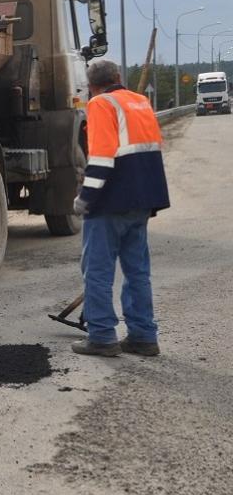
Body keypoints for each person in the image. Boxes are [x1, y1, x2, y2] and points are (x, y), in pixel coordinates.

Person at [71, 59, 170, 357]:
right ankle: (143, 336)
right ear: (118, 77)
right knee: (137, 271)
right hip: (143, 200)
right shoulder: (141, 102)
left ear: (92, 86)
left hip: (110, 203)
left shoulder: (101, 104)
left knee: (98, 272)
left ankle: (101, 337)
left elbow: (101, 159)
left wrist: (84, 199)